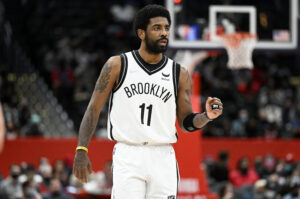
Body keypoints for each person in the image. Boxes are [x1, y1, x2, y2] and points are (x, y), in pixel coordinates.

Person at [73, 4, 223, 199]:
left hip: (163, 155)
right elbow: (93, 109)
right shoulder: (118, 65)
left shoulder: (179, 73)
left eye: (167, 28)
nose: (164, 33)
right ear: (141, 33)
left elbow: (186, 124)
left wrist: (206, 116)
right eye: (157, 28)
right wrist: (81, 149)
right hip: (129, 153)